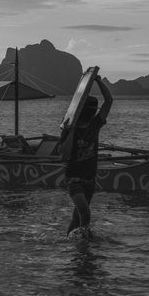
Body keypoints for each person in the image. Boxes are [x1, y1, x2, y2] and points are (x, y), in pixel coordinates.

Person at [60, 73, 113, 239]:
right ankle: (84, 244)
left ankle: (68, 239)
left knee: (77, 217)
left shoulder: (95, 124)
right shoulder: (69, 128)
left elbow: (109, 101)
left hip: (90, 178)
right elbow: (64, 153)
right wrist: (71, 130)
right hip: (74, 177)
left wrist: (98, 81)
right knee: (85, 212)